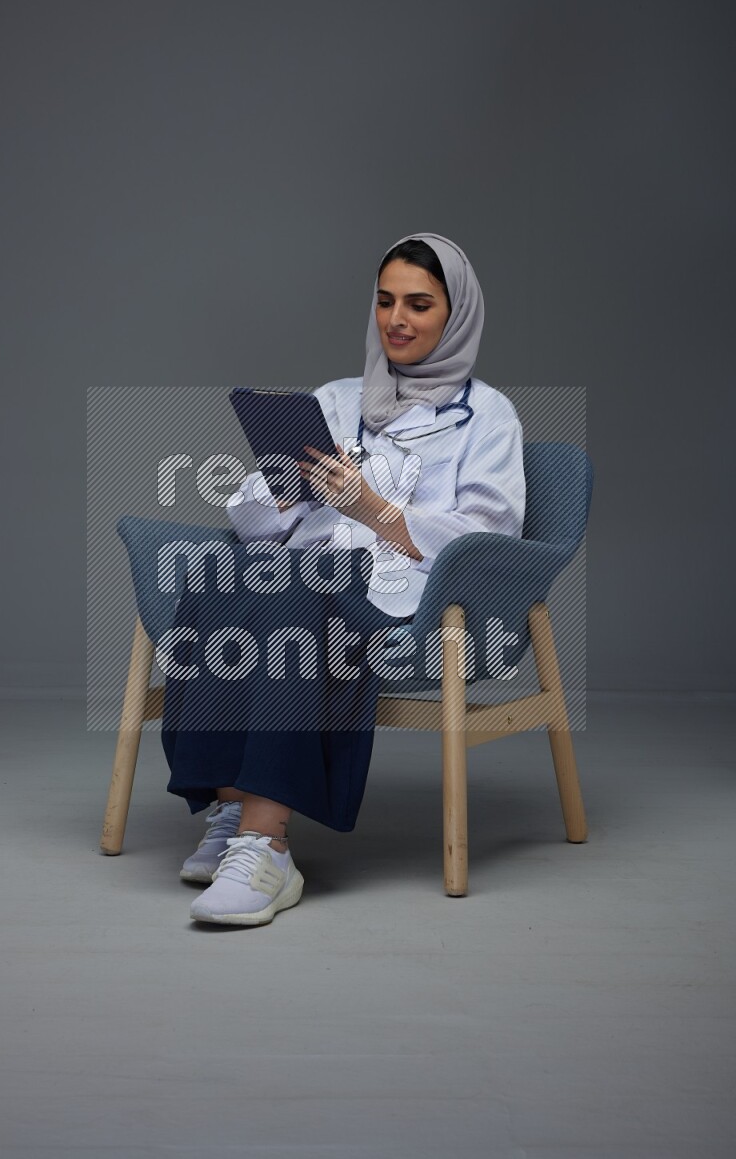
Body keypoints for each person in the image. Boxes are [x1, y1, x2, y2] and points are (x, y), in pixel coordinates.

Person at [160, 232, 526, 926]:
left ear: (457, 314)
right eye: (386, 300)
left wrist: (375, 509)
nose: (397, 319)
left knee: (299, 590)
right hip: (316, 572)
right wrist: (287, 492)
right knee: (218, 573)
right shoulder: (336, 398)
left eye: (419, 304)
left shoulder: (490, 419)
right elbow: (248, 511)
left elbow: (488, 537)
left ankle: (267, 844)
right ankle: (232, 804)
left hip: (409, 599)